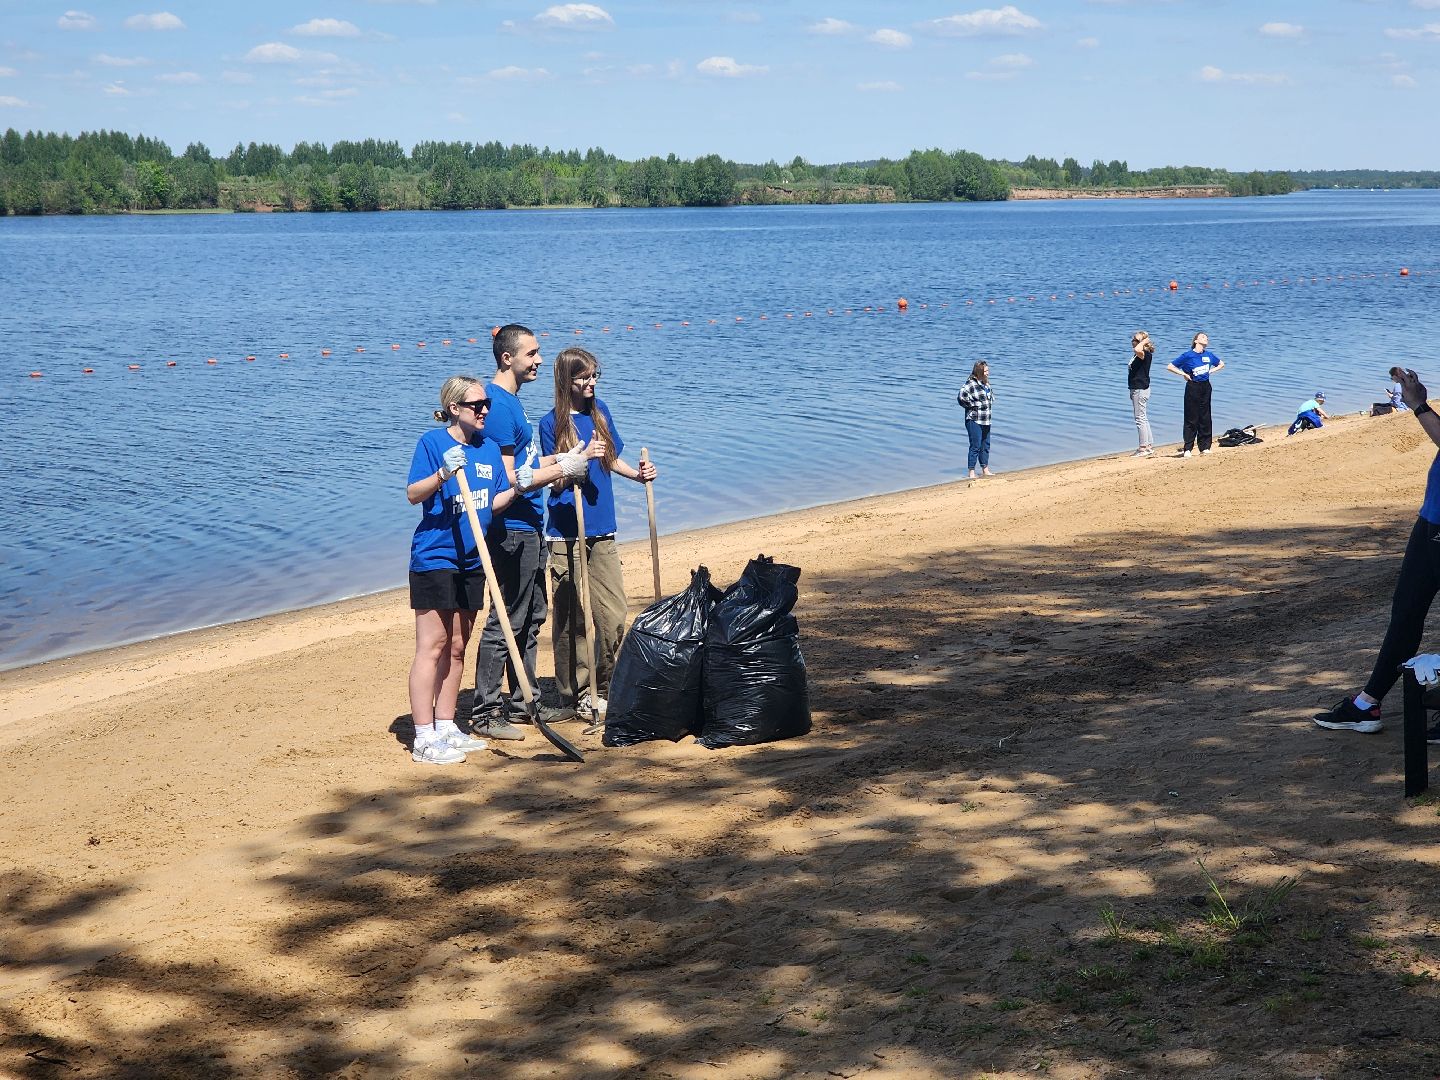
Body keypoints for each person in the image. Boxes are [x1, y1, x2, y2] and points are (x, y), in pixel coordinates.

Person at [470, 324, 598, 742]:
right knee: (506, 617)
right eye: (532, 353)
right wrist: (560, 470)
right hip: (511, 528)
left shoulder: (511, 404)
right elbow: (508, 478)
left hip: (530, 525)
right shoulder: (501, 408)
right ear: (508, 358)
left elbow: (525, 462)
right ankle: (487, 711)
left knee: (532, 616)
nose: (539, 360)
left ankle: (525, 700)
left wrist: (558, 457)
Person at [1314, 367, 1440, 744]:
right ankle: (1367, 702)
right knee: (1406, 614)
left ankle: (1367, 704)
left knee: (1406, 615)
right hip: (1432, 520)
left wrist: (1418, 405)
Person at [539, 347, 658, 733]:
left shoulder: (600, 410)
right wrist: (580, 458)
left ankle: (602, 685)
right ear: (566, 381)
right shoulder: (551, 423)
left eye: (594, 376)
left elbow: (611, 459)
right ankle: (571, 694)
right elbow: (554, 479)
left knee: (612, 614)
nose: (590, 384)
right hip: (565, 531)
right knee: (570, 618)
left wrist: (637, 475)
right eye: (583, 378)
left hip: (602, 530)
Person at [405, 375, 515, 765]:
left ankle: (447, 724)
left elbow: (494, 500)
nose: (485, 410)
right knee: (432, 647)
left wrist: (524, 484)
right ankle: (423, 737)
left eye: (487, 404)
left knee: (456, 647)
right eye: (476, 405)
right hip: (436, 557)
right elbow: (413, 494)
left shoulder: (488, 449)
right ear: (454, 409)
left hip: (474, 558)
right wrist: (443, 475)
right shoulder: (433, 444)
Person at [1166, 331, 1225, 457]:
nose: (1206, 339)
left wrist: (1211, 371)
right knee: (1191, 418)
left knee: (1205, 417)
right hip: (1193, 387)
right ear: (1196, 341)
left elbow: (1221, 364)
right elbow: (1170, 366)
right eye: (1203, 337)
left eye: (1207, 337)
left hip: (1206, 387)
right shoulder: (1188, 355)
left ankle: (1205, 447)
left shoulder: (1209, 355)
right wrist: (1184, 374)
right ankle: (1188, 448)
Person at [957, 360, 994, 479]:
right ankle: (971, 472)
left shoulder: (986, 384)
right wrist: (974, 405)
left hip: (986, 419)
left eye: (988, 370)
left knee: (986, 445)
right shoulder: (970, 384)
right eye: (986, 371)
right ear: (979, 372)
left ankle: (985, 469)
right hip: (974, 420)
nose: (988, 373)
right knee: (975, 445)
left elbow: (990, 399)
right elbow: (961, 397)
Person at [1128, 330, 1156, 457]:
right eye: (1133, 339)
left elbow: (1137, 350)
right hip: (1139, 388)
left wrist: (1144, 341)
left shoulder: (1143, 353)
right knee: (1143, 417)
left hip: (1140, 389)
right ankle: (1149, 446)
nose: (1132, 341)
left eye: (1135, 339)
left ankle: (1143, 448)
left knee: (1139, 418)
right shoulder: (1141, 354)